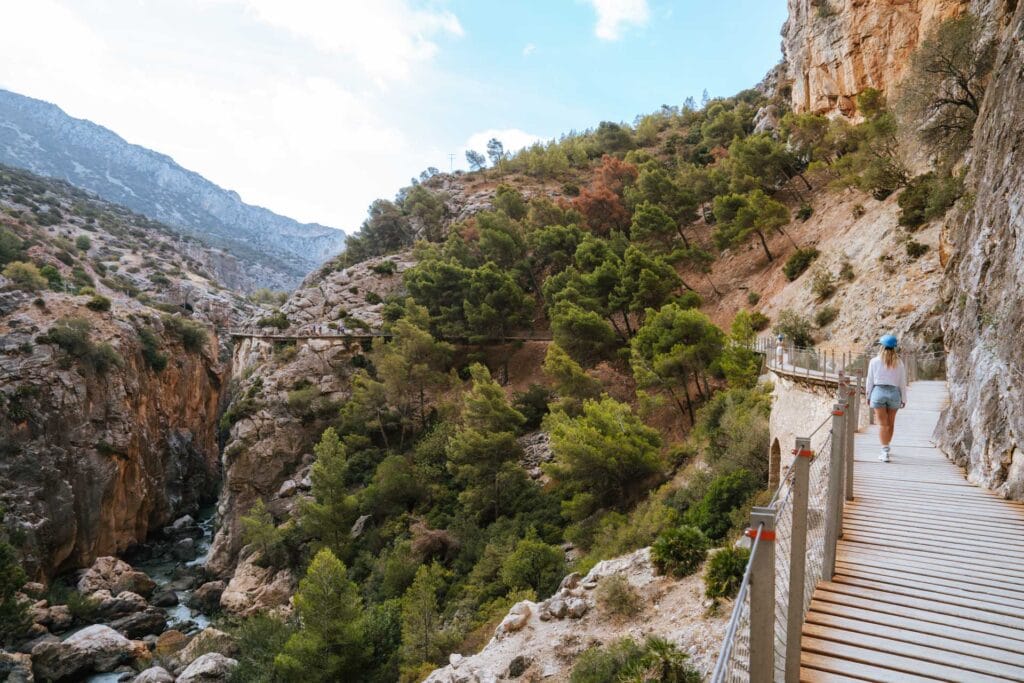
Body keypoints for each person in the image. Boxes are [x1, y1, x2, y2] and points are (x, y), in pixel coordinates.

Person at [864, 334, 907, 462]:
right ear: (894, 348)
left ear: (881, 347)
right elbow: (902, 382)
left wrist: (868, 395)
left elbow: (869, 380)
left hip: (878, 392)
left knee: (883, 424)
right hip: (894, 393)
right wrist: (903, 398)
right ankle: (887, 447)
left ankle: (884, 452)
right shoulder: (899, 363)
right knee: (891, 423)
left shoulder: (874, 361)